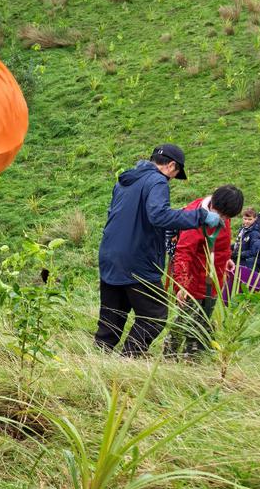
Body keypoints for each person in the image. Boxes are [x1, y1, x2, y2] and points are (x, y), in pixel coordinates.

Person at [94, 144, 220, 356]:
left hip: (110, 254)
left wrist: (177, 217)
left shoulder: (125, 181)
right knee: (155, 315)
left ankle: (96, 363)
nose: (171, 179)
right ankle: (129, 359)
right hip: (137, 260)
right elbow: (158, 215)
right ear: (171, 166)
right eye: (175, 174)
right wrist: (200, 216)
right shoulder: (157, 181)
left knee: (112, 317)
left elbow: (130, 215)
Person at [169, 186, 244, 354]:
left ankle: (193, 355)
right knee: (185, 319)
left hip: (214, 277)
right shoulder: (193, 216)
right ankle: (170, 354)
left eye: (227, 217)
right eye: (222, 215)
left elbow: (223, 244)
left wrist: (226, 259)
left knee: (204, 318)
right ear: (214, 205)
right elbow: (183, 253)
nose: (224, 219)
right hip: (192, 277)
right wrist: (181, 285)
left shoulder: (224, 214)